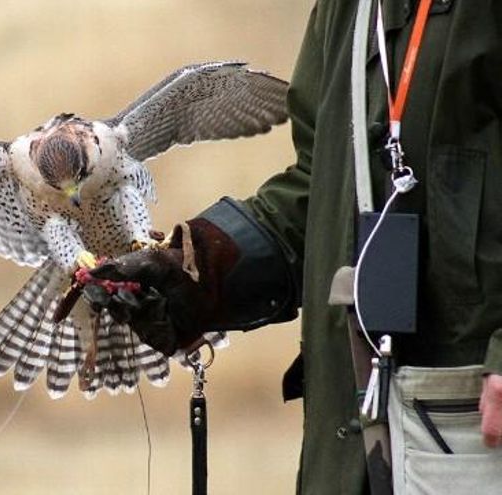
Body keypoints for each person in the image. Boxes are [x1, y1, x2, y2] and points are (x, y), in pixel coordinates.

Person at [90, 1, 502, 493]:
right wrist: (199, 268)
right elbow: (323, 189)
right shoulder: (349, 10)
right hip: (357, 438)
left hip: (471, 424)